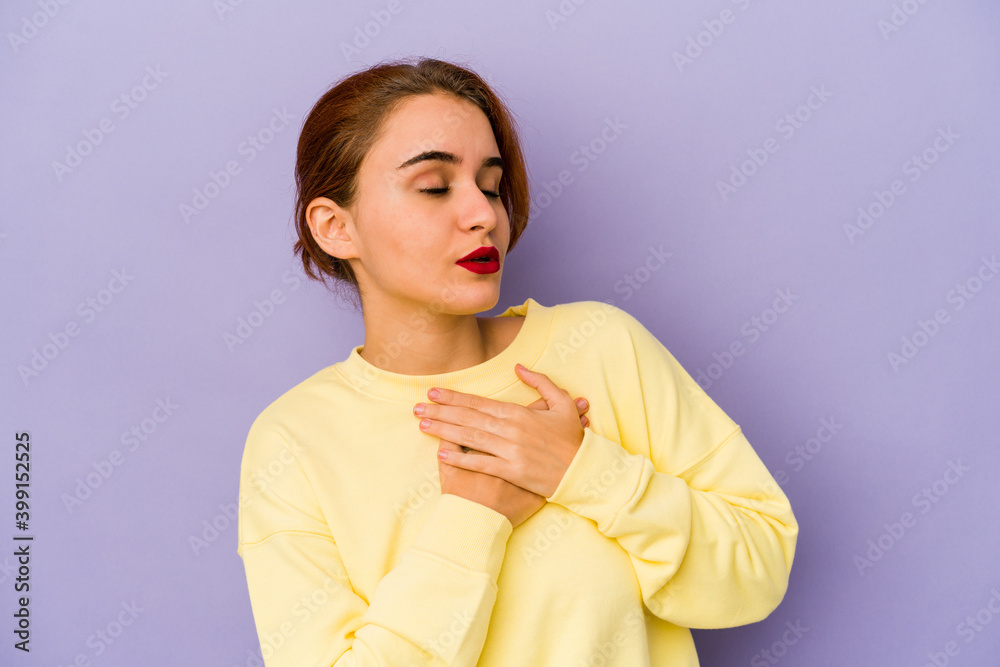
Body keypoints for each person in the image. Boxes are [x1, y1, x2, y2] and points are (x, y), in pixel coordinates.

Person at [236, 56, 798, 667]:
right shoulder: (293, 442)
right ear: (335, 227)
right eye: (434, 187)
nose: (484, 214)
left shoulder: (603, 346)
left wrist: (585, 470)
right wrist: (472, 517)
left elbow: (759, 569)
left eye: (490, 185)